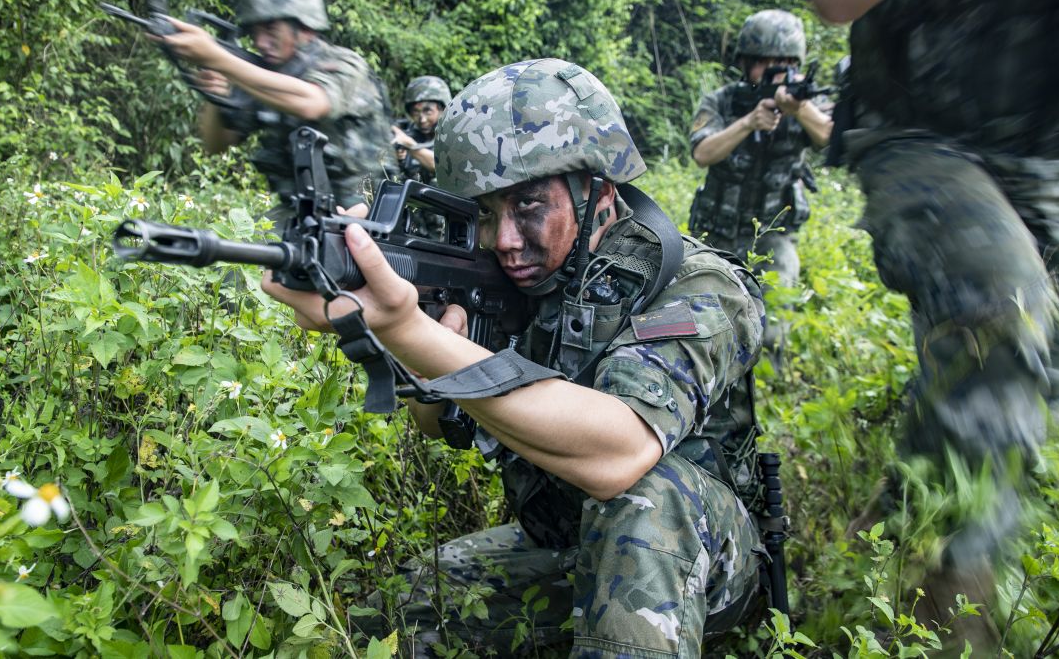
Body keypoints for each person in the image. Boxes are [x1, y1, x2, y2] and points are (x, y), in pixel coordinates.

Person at [263, 58, 770, 654]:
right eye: (484, 213)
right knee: (401, 615)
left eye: (529, 206)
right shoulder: (522, 282)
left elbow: (619, 453)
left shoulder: (699, 286)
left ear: (597, 192)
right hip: (565, 539)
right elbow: (439, 424)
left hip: (700, 559)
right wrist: (409, 333)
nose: (504, 241)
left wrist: (412, 333)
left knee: (645, 499)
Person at [791, 0, 1059, 645]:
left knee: (1031, 396)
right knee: (1005, 316)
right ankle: (940, 608)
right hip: (923, 133)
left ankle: (875, 544)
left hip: (1053, 157)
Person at [158, 0, 393, 213]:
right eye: (254, 32)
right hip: (302, 210)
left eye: (271, 29)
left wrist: (218, 58)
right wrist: (216, 97)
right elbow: (216, 144)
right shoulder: (262, 77)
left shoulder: (344, 63)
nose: (260, 42)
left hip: (371, 207)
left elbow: (312, 102)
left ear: (304, 27)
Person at [688, 10, 832, 352]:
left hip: (774, 235)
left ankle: (766, 383)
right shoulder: (722, 100)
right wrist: (748, 122)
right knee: (700, 319)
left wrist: (798, 109)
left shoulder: (807, 104)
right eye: (765, 62)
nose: (776, 70)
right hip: (716, 230)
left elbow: (831, 137)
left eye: (784, 62)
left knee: (772, 326)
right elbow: (702, 153)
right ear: (746, 62)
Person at [391, 75, 452, 182]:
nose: (422, 119)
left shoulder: (456, 135)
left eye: (428, 111)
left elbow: (445, 168)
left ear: (442, 110)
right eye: (416, 112)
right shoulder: (409, 132)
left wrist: (410, 146)